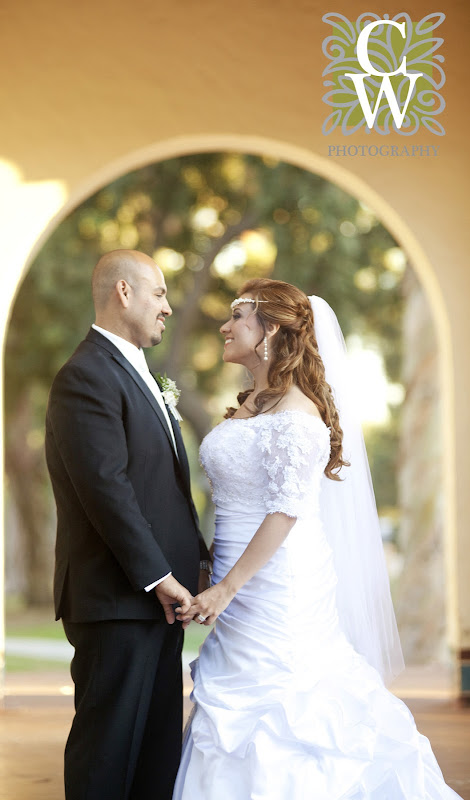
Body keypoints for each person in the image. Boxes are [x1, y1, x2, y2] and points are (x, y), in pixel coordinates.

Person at [173, 278, 461, 799]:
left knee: (287, 704)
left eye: (237, 316)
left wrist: (226, 587)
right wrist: (209, 569)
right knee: (230, 710)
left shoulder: (299, 415)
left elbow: (287, 510)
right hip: (235, 578)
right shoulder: (251, 403)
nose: (225, 325)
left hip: (278, 585)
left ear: (272, 329)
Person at [45, 249, 211, 800]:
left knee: (154, 754)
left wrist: (196, 562)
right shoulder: (85, 376)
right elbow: (106, 491)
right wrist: (158, 576)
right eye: (159, 293)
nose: (167, 307)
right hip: (116, 601)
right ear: (124, 292)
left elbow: (161, 490)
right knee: (107, 754)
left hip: (154, 604)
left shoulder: (136, 371)